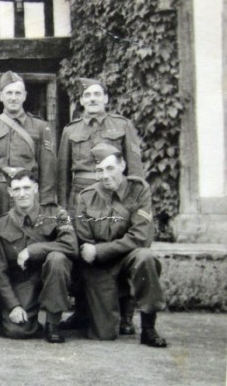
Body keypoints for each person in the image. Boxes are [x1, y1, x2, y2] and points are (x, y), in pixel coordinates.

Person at [0, 70, 57, 327]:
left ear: (25, 95)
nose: (14, 98)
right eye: (9, 93)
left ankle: (28, 307)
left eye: (18, 93)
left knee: (27, 246)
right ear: (0, 96)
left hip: (27, 195)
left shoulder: (40, 128)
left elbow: (48, 168)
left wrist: (47, 203)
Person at [57, 77, 144, 332]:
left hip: (115, 198)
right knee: (81, 253)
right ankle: (82, 311)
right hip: (80, 198)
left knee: (117, 252)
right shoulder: (70, 131)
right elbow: (62, 172)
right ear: (81, 101)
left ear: (106, 99)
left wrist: (132, 202)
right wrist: (63, 208)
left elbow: (134, 170)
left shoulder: (122, 125)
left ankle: (126, 316)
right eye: (87, 96)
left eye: (97, 94)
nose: (92, 99)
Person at [75, 142, 167, 347]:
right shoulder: (86, 197)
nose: (105, 175)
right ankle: (113, 312)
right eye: (99, 170)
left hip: (127, 257)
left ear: (122, 166)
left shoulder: (139, 190)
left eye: (110, 168)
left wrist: (101, 250)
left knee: (146, 257)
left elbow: (141, 236)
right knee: (104, 333)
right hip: (100, 265)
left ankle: (149, 328)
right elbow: (84, 242)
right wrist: (95, 252)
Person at [0, 170, 77, 343]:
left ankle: (53, 324)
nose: (22, 194)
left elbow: (71, 245)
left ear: (36, 188)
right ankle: (33, 322)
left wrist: (33, 250)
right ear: (10, 192)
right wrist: (13, 305)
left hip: (52, 276)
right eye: (16, 189)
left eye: (27, 188)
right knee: (17, 331)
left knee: (57, 258)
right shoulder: (0, 224)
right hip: (24, 282)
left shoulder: (58, 213)